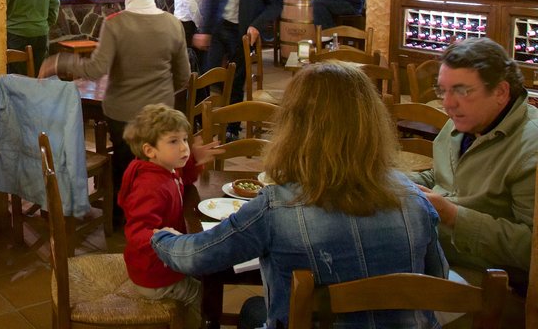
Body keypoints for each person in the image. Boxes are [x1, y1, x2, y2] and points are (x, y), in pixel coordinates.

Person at [152, 61, 448, 328]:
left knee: (256, 309)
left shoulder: (277, 207)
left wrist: (161, 237)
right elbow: (439, 281)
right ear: (373, 124)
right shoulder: (414, 200)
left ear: (293, 126)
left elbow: (195, 258)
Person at [39, 0, 189, 225]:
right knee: (157, 166)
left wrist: (60, 61)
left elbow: (96, 70)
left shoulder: (116, 23)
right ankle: (159, 214)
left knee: (125, 163)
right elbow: (183, 77)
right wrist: (161, 97)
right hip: (161, 114)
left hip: (122, 113)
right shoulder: (172, 24)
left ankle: (122, 219)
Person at [411, 38, 538, 288]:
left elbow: (530, 248)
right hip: (437, 251)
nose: (448, 104)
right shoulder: (467, 118)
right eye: (442, 91)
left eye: (462, 91)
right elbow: (442, 177)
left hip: (493, 283)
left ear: (501, 92)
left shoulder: (530, 146)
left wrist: (453, 216)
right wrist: (395, 181)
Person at [120, 104, 221, 327]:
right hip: (154, 275)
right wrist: (159, 235)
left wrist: (194, 161)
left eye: (185, 139)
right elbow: (136, 232)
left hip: (161, 263)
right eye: (174, 141)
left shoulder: (164, 168)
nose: (184, 147)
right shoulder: (150, 187)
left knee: (203, 274)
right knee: (203, 294)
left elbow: (181, 179)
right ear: (150, 150)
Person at [194, 0, 282, 141]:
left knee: (236, 78)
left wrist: (257, 25)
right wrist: (205, 30)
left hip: (243, 32)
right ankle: (205, 120)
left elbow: (275, 4)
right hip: (220, 27)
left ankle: (232, 126)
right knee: (209, 73)